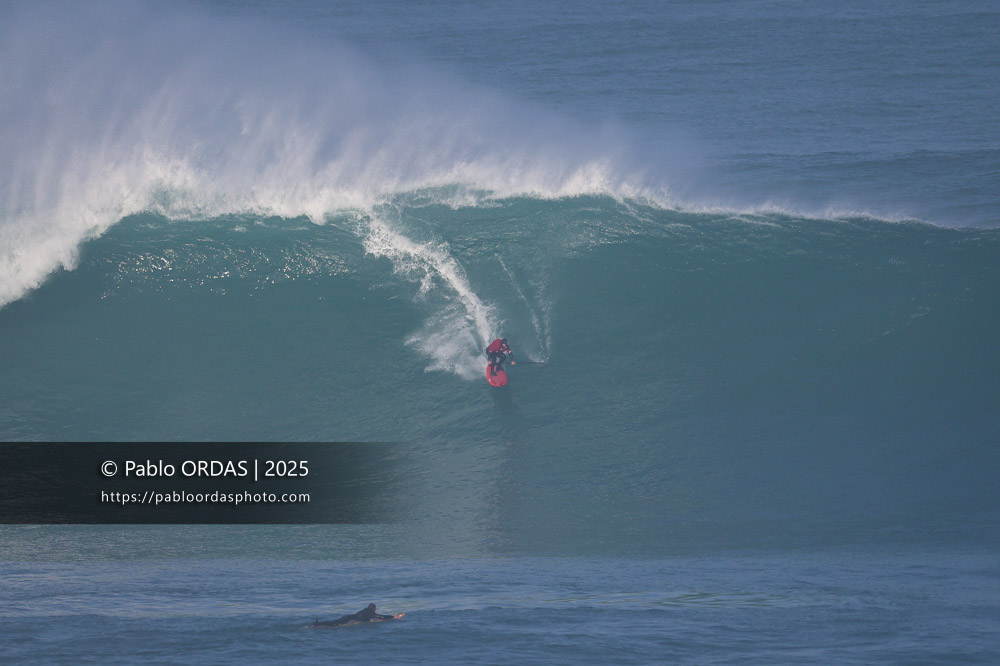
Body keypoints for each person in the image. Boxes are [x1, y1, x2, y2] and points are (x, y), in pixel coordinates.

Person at [311, 603, 404, 628]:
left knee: (335, 622)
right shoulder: (371, 613)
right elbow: (381, 616)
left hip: (348, 616)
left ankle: (318, 624)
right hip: (350, 620)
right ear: (374, 609)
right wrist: (393, 617)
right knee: (335, 625)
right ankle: (319, 625)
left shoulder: (363, 610)